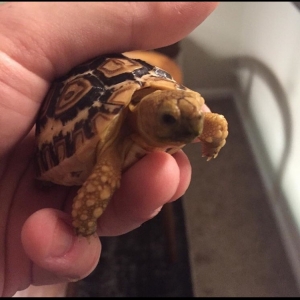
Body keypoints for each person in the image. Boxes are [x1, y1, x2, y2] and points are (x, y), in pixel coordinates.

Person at [0, 2, 218, 296]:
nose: (188, 129)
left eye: (192, 117)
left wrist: (209, 133)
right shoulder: (110, 151)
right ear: (142, 112)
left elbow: (208, 120)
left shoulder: (170, 104)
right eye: (169, 120)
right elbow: (100, 184)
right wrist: (84, 221)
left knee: (159, 179)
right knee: (113, 183)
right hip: (74, 130)